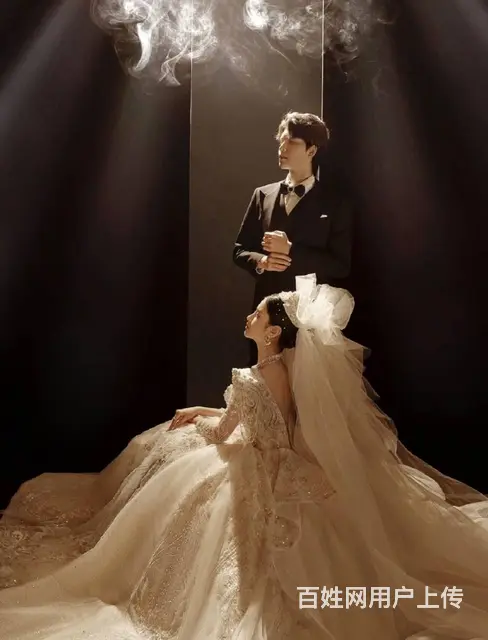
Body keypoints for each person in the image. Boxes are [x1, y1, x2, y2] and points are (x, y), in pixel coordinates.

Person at [2, 275, 488, 639]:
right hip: (288, 467)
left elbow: (226, 431)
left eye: (257, 315)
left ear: (272, 333)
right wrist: (208, 409)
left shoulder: (250, 378)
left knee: (173, 452)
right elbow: (271, 420)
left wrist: (200, 421)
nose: (249, 317)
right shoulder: (288, 375)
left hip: (250, 465)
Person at [233, 111, 353, 364]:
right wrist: (262, 262)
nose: (282, 147)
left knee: (305, 384)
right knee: (264, 380)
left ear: (312, 150)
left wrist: (291, 250)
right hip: (265, 313)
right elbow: (239, 249)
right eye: (281, 140)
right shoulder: (262, 195)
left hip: (308, 314)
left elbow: (340, 265)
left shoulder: (335, 202)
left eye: (292, 142)